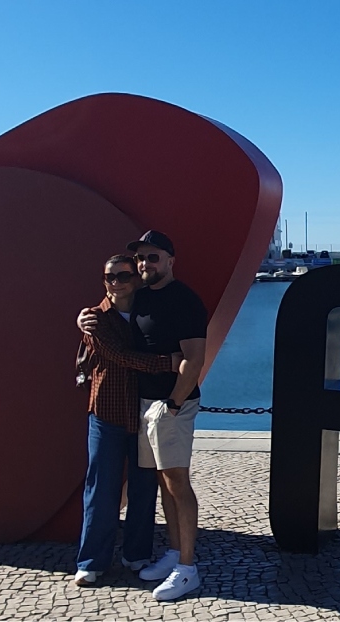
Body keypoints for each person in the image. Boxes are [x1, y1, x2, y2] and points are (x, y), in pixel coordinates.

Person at [70, 254, 178, 588]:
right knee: (101, 489)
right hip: (108, 412)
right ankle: (91, 561)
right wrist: (169, 363)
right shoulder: (96, 318)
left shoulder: (150, 311)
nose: (116, 283)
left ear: (136, 278)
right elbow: (119, 356)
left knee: (144, 488)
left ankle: (137, 554)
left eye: (124, 276)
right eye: (110, 277)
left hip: (145, 412)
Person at [120, 229, 209, 601]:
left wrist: (173, 404)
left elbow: (194, 359)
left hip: (172, 405)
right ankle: (174, 553)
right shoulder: (140, 297)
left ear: (170, 261)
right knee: (163, 481)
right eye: (140, 258)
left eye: (153, 257)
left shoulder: (184, 300)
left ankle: (187, 569)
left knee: (177, 482)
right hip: (147, 402)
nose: (145, 264)